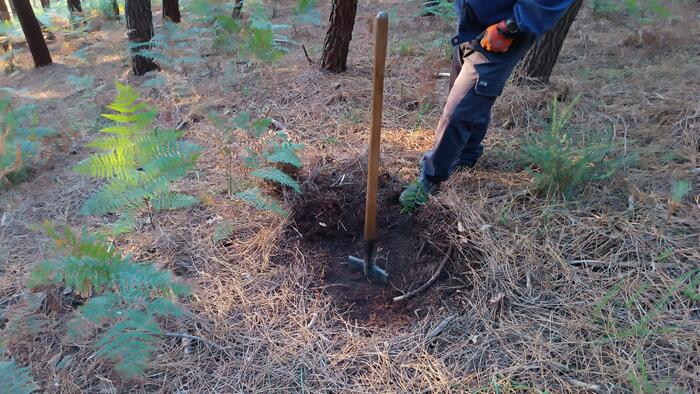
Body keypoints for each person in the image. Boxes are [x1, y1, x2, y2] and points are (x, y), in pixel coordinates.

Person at [400, 0, 577, 205]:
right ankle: (466, 154)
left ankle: (431, 177)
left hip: (502, 31)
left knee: (460, 108)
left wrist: (511, 25)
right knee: (469, 98)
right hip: (471, 22)